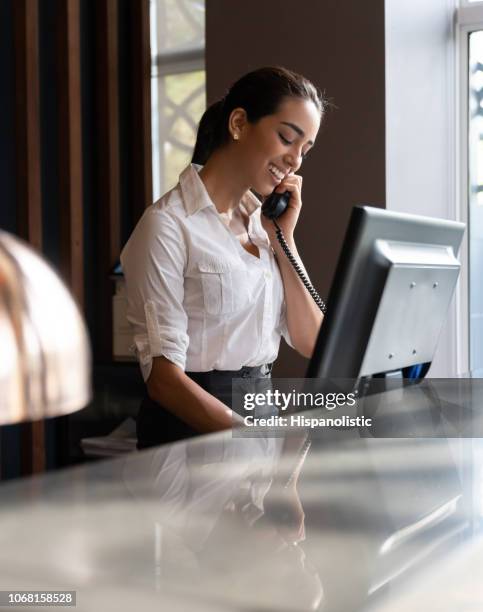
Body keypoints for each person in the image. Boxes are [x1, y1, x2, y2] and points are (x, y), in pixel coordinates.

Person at [120, 66, 327, 448]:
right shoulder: (168, 225)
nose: (295, 160)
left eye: (305, 150)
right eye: (287, 138)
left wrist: (284, 240)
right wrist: (251, 437)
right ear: (238, 123)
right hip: (191, 434)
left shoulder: (263, 227)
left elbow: (313, 340)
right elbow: (164, 380)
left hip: (259, 421)